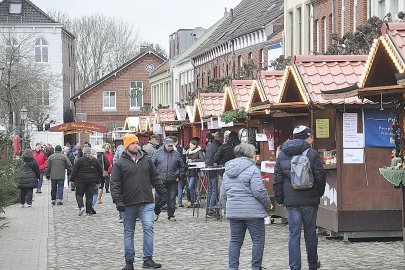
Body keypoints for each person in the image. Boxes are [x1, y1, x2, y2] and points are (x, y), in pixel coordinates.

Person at [110, 134, 168, 270]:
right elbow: (115, 184)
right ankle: (129, 262)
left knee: (148, 228)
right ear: (126, 145)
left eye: (137, 143)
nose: (136, 145)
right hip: (128, 203)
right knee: (129, 232)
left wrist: (163, 193)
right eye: (133, 143)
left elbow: (155, 178)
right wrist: (118, 201)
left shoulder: (146, 160)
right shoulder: (119, 163)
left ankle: (148, 259)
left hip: (147, 201)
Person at [273, 125, 326, 270]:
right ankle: (313, 264)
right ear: (306, 137)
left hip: (291, 201)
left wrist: (279, 199)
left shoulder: (282, 153)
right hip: (309, 199)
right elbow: (320, 176)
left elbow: (277, 179)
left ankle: (295, 266)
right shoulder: (312, 153)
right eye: (311, 136)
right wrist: (318, 193)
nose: (313, 139)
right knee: (310, 233)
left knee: (294, 234)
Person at [221, 143, 272, 270]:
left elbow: (223, 193)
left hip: (234, 211)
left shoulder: (227, 171)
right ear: (250, 154)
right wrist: (268, 205)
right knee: (258, 240)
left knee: (235, 241)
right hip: (253, 212)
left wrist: (228, 208)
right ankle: (256, 267)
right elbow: (258, 191)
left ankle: (233, 268)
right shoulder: (253, 169)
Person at [152, 137, 185, 221]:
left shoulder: (176, 154)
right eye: (169, 146)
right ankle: (156, 212)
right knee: (158, 198)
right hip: (160, 180)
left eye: (172, 146)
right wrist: (154, 177)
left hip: (172, 180)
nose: (170, 147)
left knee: (172, 198)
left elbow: (181, 166)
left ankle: (171, 214)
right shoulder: (158, 153)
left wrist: (179, 175)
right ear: (165, 145)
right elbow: (152, 165)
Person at [71, 147, 102, 217]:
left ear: (83, 152)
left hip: (81, 180)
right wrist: (97, 177)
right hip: (92, 181)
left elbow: (74, 171)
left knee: (79, 194)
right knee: (89, 196)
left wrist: (72, 179)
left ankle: (81, 207)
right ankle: (88, 213)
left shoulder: (80, 160)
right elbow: (100, 171)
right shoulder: (95, 160)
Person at [204, 131, 223, 216]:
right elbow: (217, 159)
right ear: (220, 138)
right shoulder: (218, 146)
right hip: (214, 169)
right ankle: (212, 208)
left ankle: (209, 207)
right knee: (215, 190)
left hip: (208, 169)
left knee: (210, 190)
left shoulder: (209, 145)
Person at [185, 139, 204, 206]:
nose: (190, 146)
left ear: (195, 145)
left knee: (191, 186)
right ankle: (194, 201)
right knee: (190, 187)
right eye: (189, 145)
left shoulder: (199, 151)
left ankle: (194, 200)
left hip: (194, 171)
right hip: (188, 171)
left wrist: (193, 160)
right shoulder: (188, 152)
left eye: (191, 145)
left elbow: (202, 159)